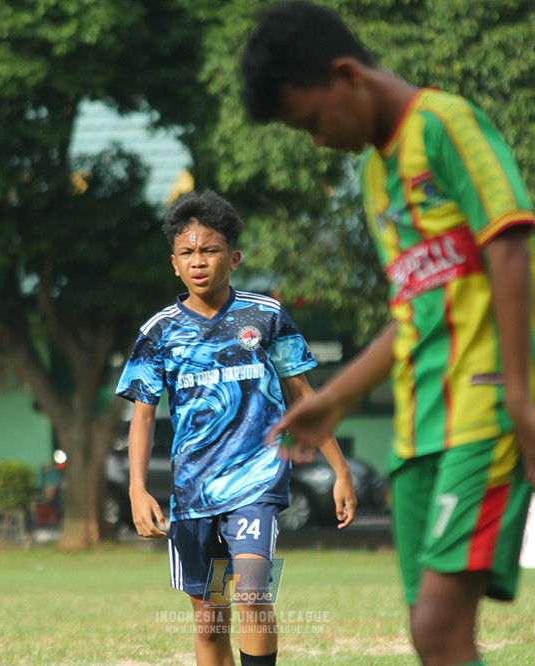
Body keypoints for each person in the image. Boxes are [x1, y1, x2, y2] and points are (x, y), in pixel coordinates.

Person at [240, 3, 535, 665]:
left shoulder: (445, 124)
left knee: (438, 626)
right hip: (419, 426)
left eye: (312, 121)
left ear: (347, 76)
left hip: (485, 407)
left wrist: (520, 399)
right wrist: (336, 399)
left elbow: (508, 246)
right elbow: (414, 315)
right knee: (431, 636)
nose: (317, 141)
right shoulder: (376, 174)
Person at [115, 190, 358, 666]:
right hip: (192, 492)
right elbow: (142, 414)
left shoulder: (264, 316)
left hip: (256, 481)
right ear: (174, 264)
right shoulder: (158, 332)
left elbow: (302, 396)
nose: (198, 261)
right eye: (187, 252)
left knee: (252, 596)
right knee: (210, 628)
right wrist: (136, 489)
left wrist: (341, 470)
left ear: (234, 257)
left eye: (210, 250)